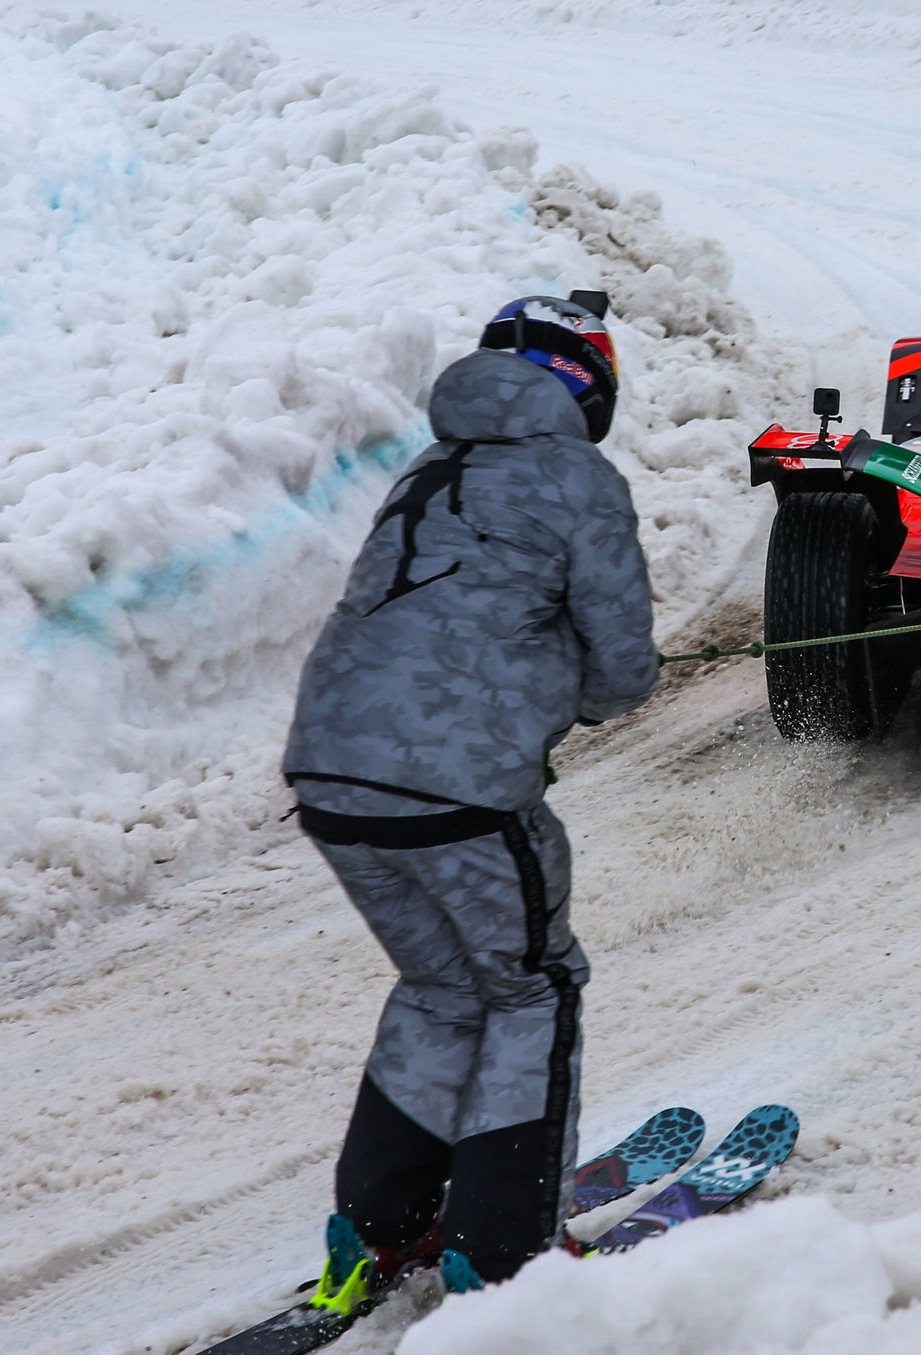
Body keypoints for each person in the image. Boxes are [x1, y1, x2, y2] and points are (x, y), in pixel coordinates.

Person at [280, 291, 658, 1307]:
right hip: (459, 787)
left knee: (443, 986)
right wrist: (560, 681)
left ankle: (376, 1227)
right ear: (589, 386)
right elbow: (623, 672)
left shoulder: (428, 466)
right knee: (533, 985)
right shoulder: (578, 475)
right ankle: (503, 1254)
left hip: (328, 771)